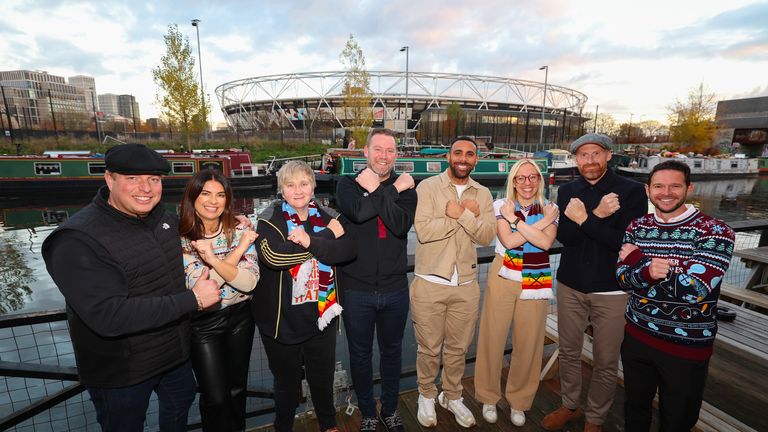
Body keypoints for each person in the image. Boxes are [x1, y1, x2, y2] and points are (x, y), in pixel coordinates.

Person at [41, 144, 222, 432]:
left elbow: (195, 229)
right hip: (122, 373)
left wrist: (230, 223)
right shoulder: (76, 240)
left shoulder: (161, 218)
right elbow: (108, 316)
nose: (145, 188)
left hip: (173, 356)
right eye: (132, 178)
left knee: (180, 406)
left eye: (153, 179)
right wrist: (193, 301)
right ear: (109, 179)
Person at [616, 160, 734, 431]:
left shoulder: (715, 231)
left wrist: (639, 260)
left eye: (674, 186)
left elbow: (695, 290)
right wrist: (652, 271)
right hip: (637, 336)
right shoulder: (637, 226)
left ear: (688, 188)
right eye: (658, 186)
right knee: (635, 409)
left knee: (677, 419)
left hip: (686, 346)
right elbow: (623, 279)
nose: (665, 192)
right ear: (648, 190)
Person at [541, 133, 647, 432]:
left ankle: (596, 419)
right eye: (583, 155)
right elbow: (568, 239)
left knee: (605, 359)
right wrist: (598, 216)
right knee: (570, 350)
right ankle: (570, 405)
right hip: (570, 284)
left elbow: (626, 242)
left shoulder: (632, 191)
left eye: (595, 154)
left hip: (612, 289)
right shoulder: (567, 191)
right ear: (576, 159)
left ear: (608, 156)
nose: (589, 161)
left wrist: (588, 219)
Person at [252, 160, 356, 432]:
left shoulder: (328, 213)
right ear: (281, 190)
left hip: (321, 315)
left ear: (312, 186)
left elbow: (347, 251)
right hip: (282, 320)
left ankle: (328, 424)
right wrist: (323, 238)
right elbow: (275, 257)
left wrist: (310, 240)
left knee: (322, 378)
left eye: (304, 183)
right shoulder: (268, 219)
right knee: (286, 384)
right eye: (290, 184)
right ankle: (282, 427)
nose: (298, 190)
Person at [335, 128, 417, 432]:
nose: (384, 156)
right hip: (357, 289)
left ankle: (391, 409)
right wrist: (391, 191)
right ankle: (369, 411)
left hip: (395, 289)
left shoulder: (409, 189)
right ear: (365, 152)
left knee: (392, 352)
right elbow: (357, 212)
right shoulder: (348, 184)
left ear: (397, 154)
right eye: (378, 149)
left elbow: (398, 225)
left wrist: (385, 191)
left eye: (390, 150)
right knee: (359, 354)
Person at [411, 136, 496, 428]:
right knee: (429, 348)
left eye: (469, 154)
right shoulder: (427, 187)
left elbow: (487, 236)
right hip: (429, 281)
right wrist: (460, 217)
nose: (463, 158)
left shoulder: (483, 194)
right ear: (449, 156)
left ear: (476, 160)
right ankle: (426, 394)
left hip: (466, 285)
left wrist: (463, 215)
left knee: (458, 349)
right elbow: (423, 231)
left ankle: (452, 395)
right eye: (458, 152)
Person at [474, 159, 559, 427]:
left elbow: (545, 243)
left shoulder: (550, 207)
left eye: (532, 177)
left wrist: (516, 221)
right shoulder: (501, 205)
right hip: (504, 274)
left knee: (529, 342)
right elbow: (509, 242)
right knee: (493, 337)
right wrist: (539, 223)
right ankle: (488, 397)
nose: (526, 183)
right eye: (520, 178)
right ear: (512, 181)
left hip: (535, 275)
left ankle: (519, 401)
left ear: (539, 180)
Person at [179, 169, 260, 431]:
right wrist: (236, 252)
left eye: (220, 195)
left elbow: (249, 283)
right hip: (203, 324)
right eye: (205, 194)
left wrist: (214, 260)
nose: (213, 201)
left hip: (241, 317)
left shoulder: (239, 229)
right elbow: (205, 287)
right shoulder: (182, 239)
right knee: (214, 397)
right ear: (193, 197)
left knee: (237, 390)